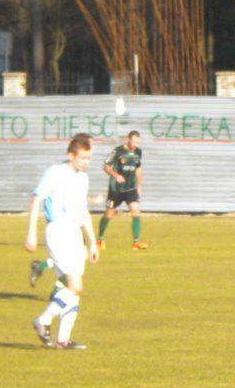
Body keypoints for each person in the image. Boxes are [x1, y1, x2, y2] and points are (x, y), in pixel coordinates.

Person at [25, 134, 99, 350]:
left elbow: (82, 210)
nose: (86, 162)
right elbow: (36, 198)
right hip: (57, 231)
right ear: (71, 155)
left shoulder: (82, 178)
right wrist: (31, 233)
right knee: (73, 285)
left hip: (75, 233)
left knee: (75, 290)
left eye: (89, 158)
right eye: (83, 158)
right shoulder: (55, 173)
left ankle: (63, 340)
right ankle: (43, 321)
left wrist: (92, 241)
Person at [97, 130, 146, 250]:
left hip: (130, 188)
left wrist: (139, 185)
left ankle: (136, 242)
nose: (135, 144)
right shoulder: (118, 151)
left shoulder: (138, 152)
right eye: (133, 141)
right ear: (128, 139)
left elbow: (138, 169)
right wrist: (116, 175)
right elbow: (106, 166)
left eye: (137, 142)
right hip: (116, 189)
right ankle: (100, 238)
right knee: (109, 214)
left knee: (136, 210)